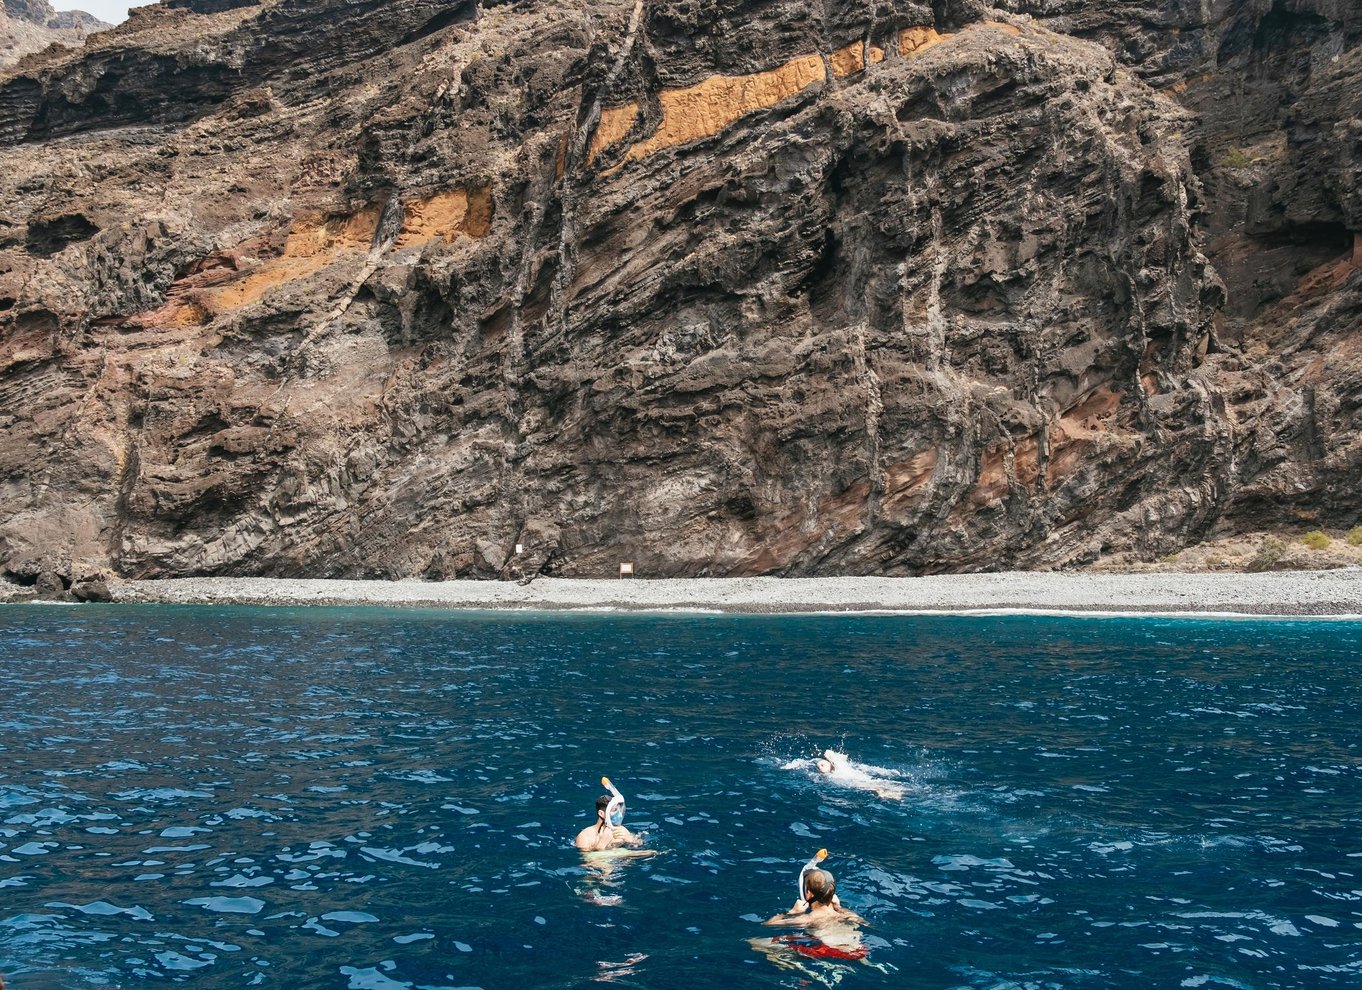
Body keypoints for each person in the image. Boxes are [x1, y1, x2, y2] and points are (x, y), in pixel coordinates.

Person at [764, 866, 867, 927]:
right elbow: (865, 923)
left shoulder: (808, 919)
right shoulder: (847, 915)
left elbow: (768, 924)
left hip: (833, 952)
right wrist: (839, 908)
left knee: (758, 943)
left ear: (809, 894)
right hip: (860, 950)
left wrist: (792, 912)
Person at [574, 793, 643, 851]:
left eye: (618, 810)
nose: (618, 814)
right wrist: (602, 843)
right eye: (614, 810)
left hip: (619, 860)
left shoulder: (621, 830)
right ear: (601, 814)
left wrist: (629, 839)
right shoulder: (585, 836)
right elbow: (587, 861)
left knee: (650, 853)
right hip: (601, 863)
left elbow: (639, 844)